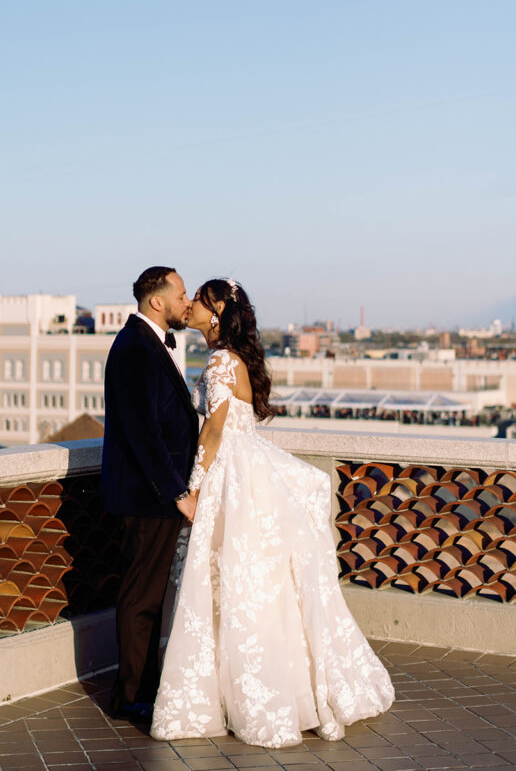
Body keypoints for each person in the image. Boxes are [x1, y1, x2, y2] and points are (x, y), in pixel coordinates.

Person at [151, 278, 394, 747]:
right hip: (248, 474)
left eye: (199, 299)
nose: (191, 305)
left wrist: (192, 490)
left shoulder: (222, 360)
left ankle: (244, 695)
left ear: (217, 309)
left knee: (233, 584)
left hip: (229, 477)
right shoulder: (232, 358)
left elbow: (214, 433)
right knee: (255, 586)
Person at [101, 266, 199, 723]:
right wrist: (178, 493)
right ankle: (129, 696)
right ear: (157, 301)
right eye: (180, 294)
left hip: (154, 496)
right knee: (141, 597)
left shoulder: (148, 343)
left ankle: (145, 686)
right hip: (147, 497)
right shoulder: (135, 349)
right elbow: (143, 435)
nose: (187, 300)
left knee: (151, 596)